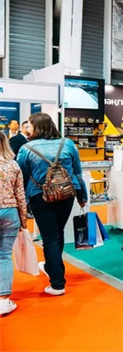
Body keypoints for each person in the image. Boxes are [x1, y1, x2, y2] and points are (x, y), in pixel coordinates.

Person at [17, 113, 88, 296]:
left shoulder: (27, 149)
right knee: (58, 232)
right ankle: (51, 267)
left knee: (50, 237)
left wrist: (21, 202)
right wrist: (82, 196)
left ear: (37, 127)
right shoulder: (68, 144)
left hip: (40, 196)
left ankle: (57, 283)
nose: (27, 128)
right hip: (67, 194)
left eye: (29, 125)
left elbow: (21, 177)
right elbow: (77, 173)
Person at [0, 132, 28, 315]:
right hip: (10, 212)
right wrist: (23, 221)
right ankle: (3, 301)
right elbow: (20, 195)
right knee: (4, 256)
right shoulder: (13, 165)